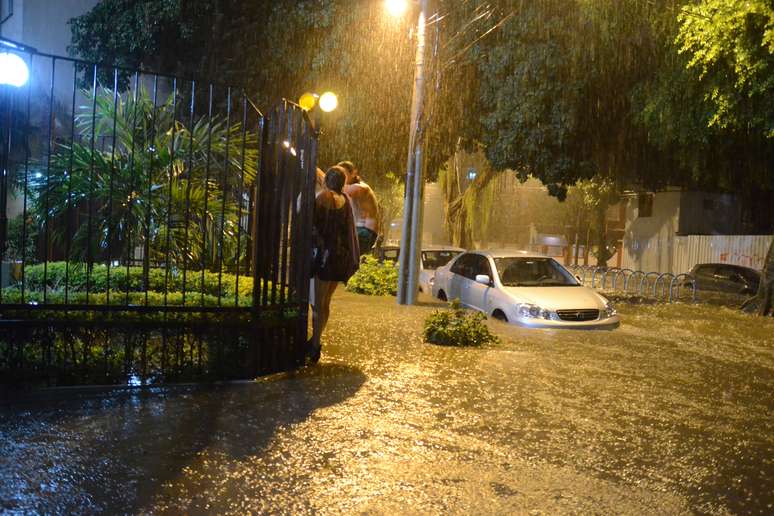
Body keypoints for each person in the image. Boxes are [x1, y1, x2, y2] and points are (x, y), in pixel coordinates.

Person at [308, 166, 360, 363]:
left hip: (324, 258)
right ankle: (315, 339)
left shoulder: (323, 197)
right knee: (326, 303)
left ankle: (314, 345)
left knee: (317, 305)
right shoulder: (345, 201)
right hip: (339, 258)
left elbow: (313, 227)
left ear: (327, 180)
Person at [338, 160, 380, 256]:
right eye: (339, 174)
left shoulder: (362, 188)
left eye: (343, 174)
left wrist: (316, 171)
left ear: (353, 173)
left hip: (366, 232)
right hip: (357, 230)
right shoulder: (347, 188)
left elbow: (335, 186)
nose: (341, 177)